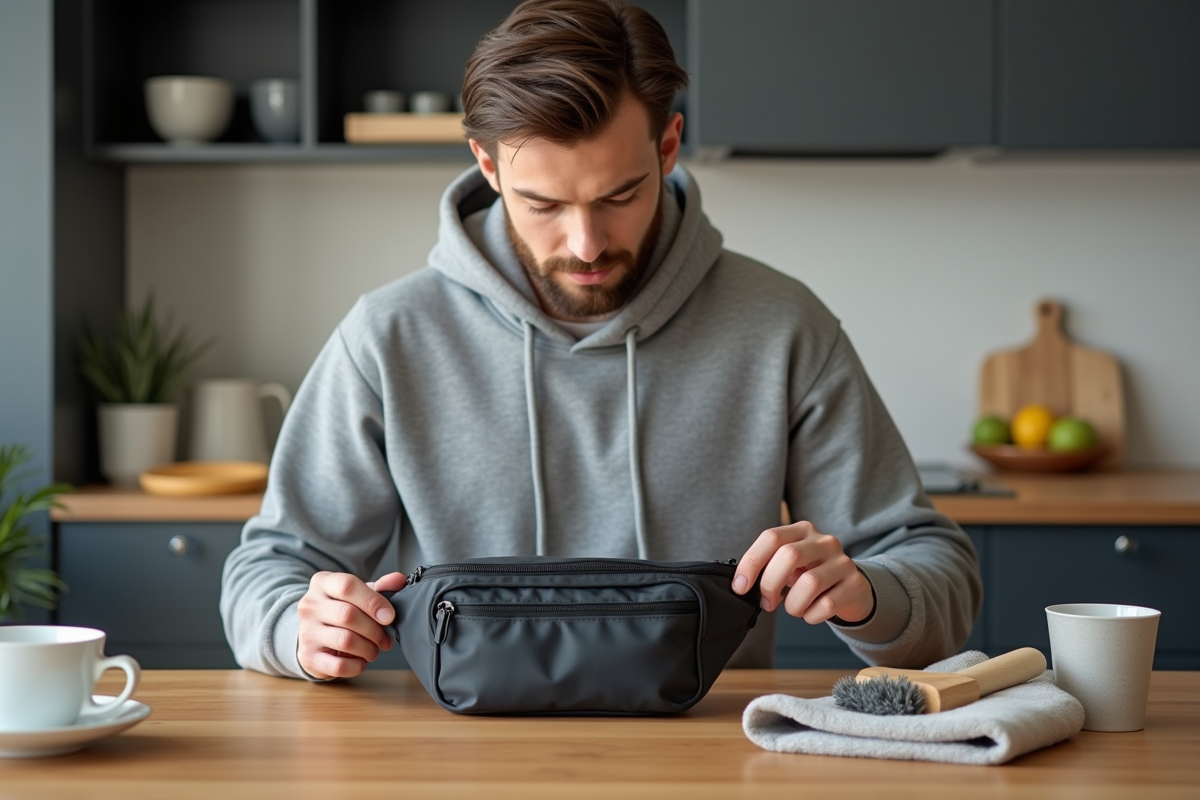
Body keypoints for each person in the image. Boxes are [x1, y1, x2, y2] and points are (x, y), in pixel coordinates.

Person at [220, 0, 982, 682]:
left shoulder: (783, 326)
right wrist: (298, 628)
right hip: (458, 756)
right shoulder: (387, 336)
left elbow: (937, 570)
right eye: (544, 204)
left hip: (714, 754)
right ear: (487, 165)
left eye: (620, 195)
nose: (585, 244)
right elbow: (270, 569)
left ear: (669, 146)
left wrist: (866, 594)